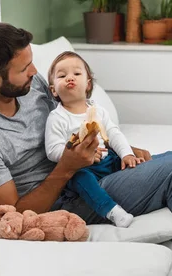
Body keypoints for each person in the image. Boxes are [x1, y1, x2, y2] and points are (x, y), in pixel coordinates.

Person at [0, 21, 172, 276]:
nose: (35, 71)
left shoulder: (29, 86)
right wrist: (67, 168)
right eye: (24, 69)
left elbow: (76, 119)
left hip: (96, 167)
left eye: (32, 62)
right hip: (69, 198)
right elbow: (14, 213)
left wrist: (124, 148)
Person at [45, 51, 141, 227]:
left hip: (107, 160)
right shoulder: (57, 117)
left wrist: (127, 154)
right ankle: (112, 211)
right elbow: (52, 151)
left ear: (88, 84)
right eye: (62, 75)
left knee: (127, 163)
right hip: (83, 169)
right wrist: (75, 154)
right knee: (81, 179)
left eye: (77, 73)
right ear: (53, 90)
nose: (70, 78)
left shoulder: (98, 111)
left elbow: (113, 134)